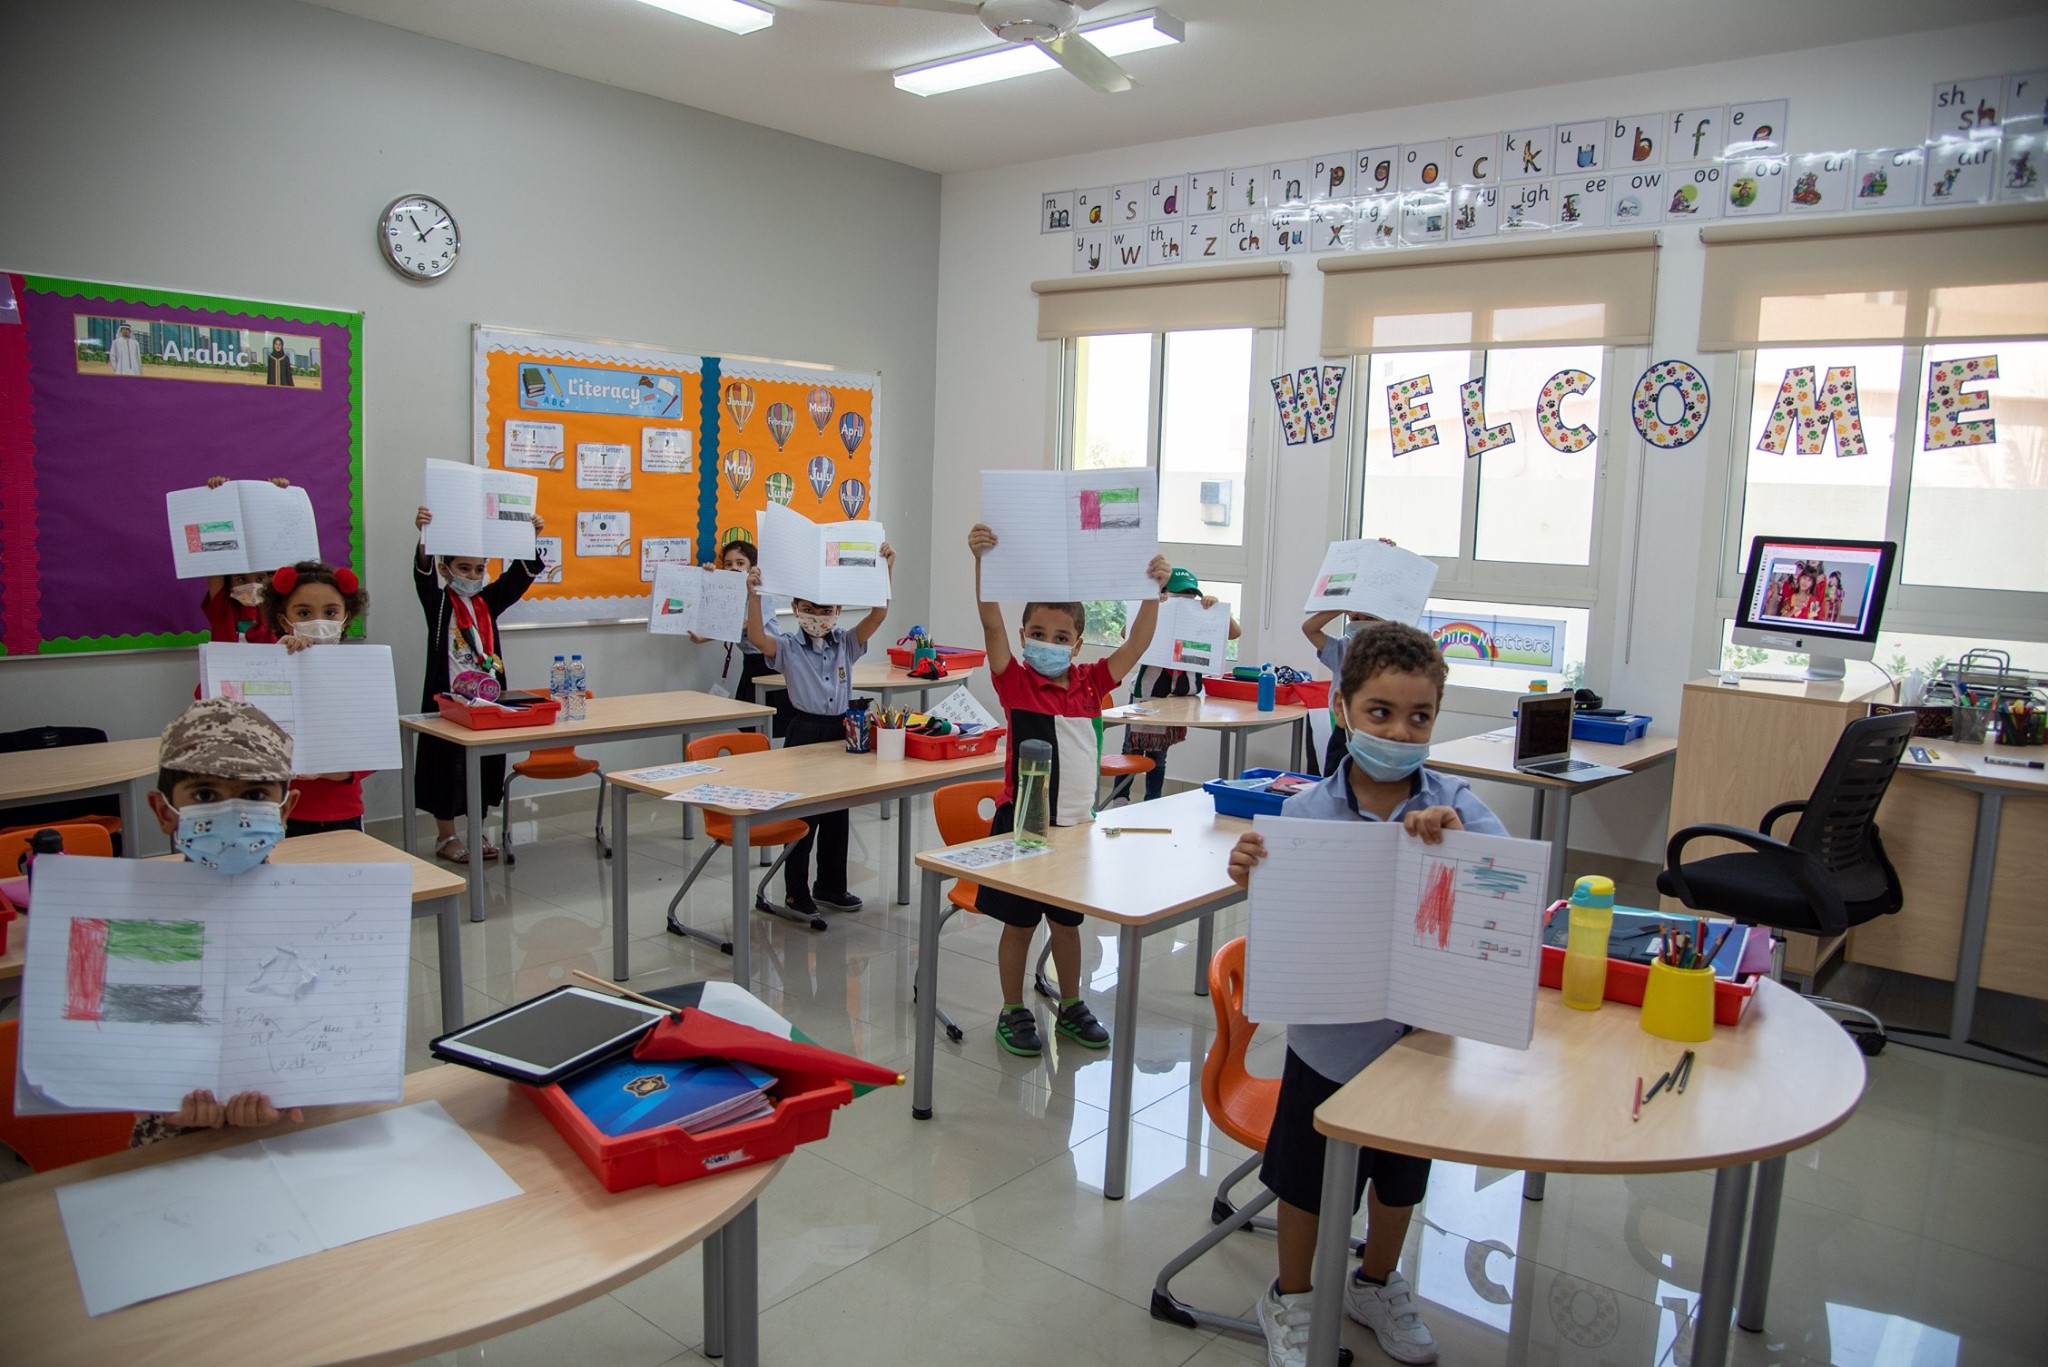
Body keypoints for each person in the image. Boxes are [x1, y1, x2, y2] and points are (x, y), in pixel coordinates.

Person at [1228, 621, 1508, 1367]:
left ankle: (1375, 1283)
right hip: (1328, 1042)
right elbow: (1285, 925)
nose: (1399, 731)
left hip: (1420, 1042)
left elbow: (1509, 889)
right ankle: (1291, 1296)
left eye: (1420, 716)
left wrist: (1463, 845)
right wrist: (1253, 872)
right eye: (1380, 712)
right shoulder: (1303, 815)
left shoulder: (1457, 803)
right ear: (1342, 709)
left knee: (1401, 1178)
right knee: (1307, 1183)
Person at [966, 522, 1171, 1056]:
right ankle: (1012, 1010)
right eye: (1038, 633)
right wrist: (983, 561)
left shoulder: (1091, 683)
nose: (1049, 644)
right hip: (1022, 827)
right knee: (1018, 925)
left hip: (1076, 829)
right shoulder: (1014, 681)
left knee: (1067, 923)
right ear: (1023, 635)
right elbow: (990, 622)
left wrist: (1153, 592)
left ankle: (1072, 1003)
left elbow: (1138, 643)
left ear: (1077, 645)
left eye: (1061, 638)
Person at [130, 697, 311, 1146]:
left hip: (296, 1136)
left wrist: (293, 1091)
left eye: (255, 795)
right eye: (205, 795)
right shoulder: (138, 925)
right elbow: (127, 1043)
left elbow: (337, 1034)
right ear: (164, 811)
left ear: (285, 810)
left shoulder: (320, 920)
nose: (232, 813)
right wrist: (170, 1103)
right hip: (175, 1145)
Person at [740, 543, 894, 916]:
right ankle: (795, 892)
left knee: (838, 813)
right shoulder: (789, 647)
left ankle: (830, 886)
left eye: (826, 611)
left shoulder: (847, 643)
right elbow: (758, 638)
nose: (818, 618)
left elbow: (878, 614)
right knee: (803, 815)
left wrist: (884, 570)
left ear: (838, 611)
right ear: (796, 609)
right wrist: (754, 595)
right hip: (804, 731)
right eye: (809, 609)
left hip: (841, 731)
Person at [413, 502, 546, 863]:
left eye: (479, 568)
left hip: (486, 701)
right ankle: (446, 836)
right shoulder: (439, 603)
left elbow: (517, 579)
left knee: (483, 766)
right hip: (447, 701)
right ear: (445, 569)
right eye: (463, 568)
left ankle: (477, 830)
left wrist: (530, 537)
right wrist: (425, 535)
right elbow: (422, 575)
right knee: (445, 764)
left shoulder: (487, 602)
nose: (472, 575)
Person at [1110, 566, 1240, 804]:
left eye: (1190, 594)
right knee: (1131, 748)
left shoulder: (1197, 615)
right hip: (1145, 692)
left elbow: (1235, 632)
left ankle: (1153, 802)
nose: (1184, 599)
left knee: (1158, 755)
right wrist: (1153, 605)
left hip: (1176, 698)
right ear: (1164, 591)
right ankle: (1120, 798)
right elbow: (1125, 633)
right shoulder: (1155, 610)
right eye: (1178, 593)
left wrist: (1217, 609)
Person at [264, 559, 373, 837]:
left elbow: (375, 749)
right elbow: (212, 698)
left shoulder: (361, 672)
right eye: (304, 613)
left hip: (340, 809)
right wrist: (274, 662)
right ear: (284, 620)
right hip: (276, 808)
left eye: (330, 612)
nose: (318, 622)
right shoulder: (269, 661)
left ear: (345, 618)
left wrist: (335, 772)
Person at [1301, 539, 1403, 777]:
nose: (1358, 622)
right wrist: (1342, 603)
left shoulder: (1395, 652)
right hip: (1342, 725)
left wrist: (1389, 559)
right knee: (1335, 779)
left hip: (1377, 728)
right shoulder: (1343, 649)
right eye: (1354, 618)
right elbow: (1310, 628)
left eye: (1367, 618)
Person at [690, 538, 775, 728]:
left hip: (769, 662)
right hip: (750, 661)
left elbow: (742, 623)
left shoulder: (760, 590)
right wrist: (709, 578)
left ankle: (764, 746)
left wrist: (704, 637)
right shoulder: (730, 591)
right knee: (746, 721)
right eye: (728, 564)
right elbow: (715, 612)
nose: (734, 568)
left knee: (764, 720)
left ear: (752, 567)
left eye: (740, 563)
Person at [197, 474, 292, 645]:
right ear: (229, 583)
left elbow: (279, 544)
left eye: (260, 579)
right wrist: (218, 497)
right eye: (241, 579)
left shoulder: (279, 611)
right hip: (227, 664)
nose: (252, 585)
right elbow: (215, 557)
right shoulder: (223, 608)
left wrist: (275, 497)